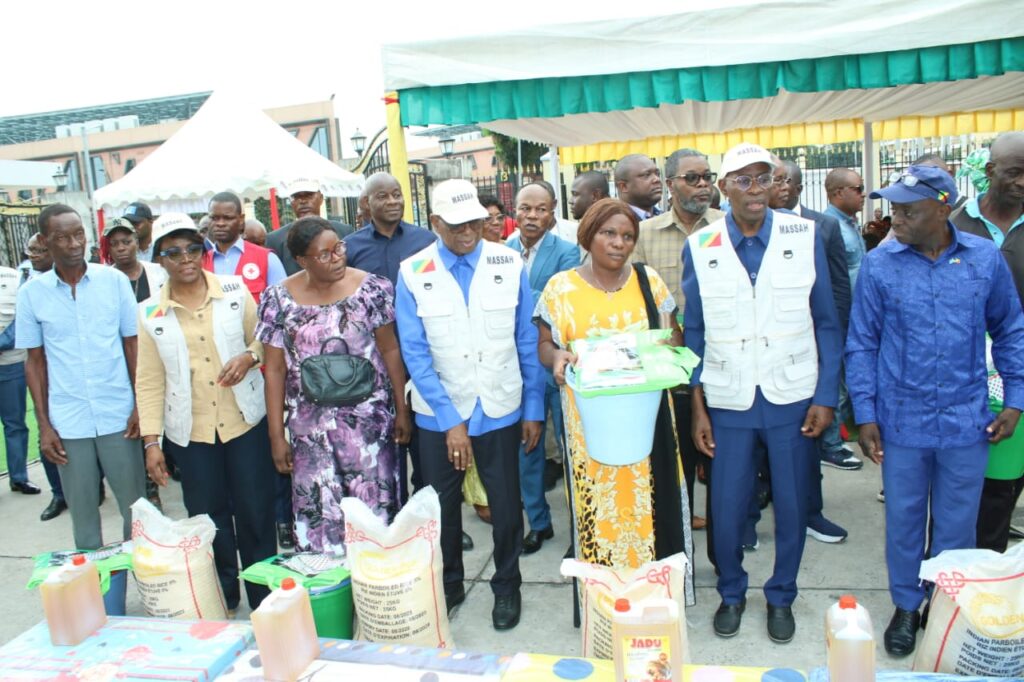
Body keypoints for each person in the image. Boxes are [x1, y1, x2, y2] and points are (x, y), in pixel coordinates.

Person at [846, 164, 1024, 657]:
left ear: (943, 207)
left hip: (967, 419)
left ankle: (945, 605)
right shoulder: (882, 265)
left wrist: (1016, 400)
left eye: (907, 209)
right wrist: (866, 413)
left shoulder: (984, 259)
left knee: (956, 523)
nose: (894, 216)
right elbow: (861, 343)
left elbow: (1010, 328)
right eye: (893, 207)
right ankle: (907, 604)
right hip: (902, 419)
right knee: (903, 518)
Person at [683, 143, 841, 644]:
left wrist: (825, 396)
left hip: (792, 395)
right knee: (726, 511)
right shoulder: (702, 244)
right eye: (745, 180)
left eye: (764, 178)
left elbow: (828, 324)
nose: (757, 190)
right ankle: (732, 592)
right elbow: (695, 333)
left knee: (793, 504)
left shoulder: (805, 233)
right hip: (728, 399)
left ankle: (781, 595)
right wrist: (697, 406)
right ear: (723, 186)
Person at [395, 179, 545, 631]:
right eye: (456, 224)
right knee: (441, 507)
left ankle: (507, 586)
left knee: (504, 504)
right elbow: (415, 354)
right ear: (435, 223)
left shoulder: (509, 261)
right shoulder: (412, 271)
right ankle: (450, 582)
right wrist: (450, 422)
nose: (468, 232)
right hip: (439, 413)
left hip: (501, 404)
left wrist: (534, 406)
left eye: (475, 222)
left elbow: (525, 338)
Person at [536, 198, 694, 601]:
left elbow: (672, 336)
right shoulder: (561, 288)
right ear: (588, 235)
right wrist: (557, 357)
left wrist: (655, 347)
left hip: (646, 418)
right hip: (590, 422)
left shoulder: (649, 281)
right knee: (599, 506)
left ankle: (654, 596)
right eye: (608, 233)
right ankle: (604, 600)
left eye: (627, 236)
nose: (619, 243)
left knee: (652, 501)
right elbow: (545, 344)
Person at [138, 213, 277, 612]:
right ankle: (222, 595)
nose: (185, 258)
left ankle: (263, 596)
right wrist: (152, 442)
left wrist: (250, 357)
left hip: (243, 423)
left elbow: (266, 340)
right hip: (192, 433)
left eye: (192, 249)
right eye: (174, 251)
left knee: (255, 512)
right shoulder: (149, 312)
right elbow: (148, 381)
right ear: (160, 258)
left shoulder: (234, 291)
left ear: (203, 251)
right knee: (207, 518)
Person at [257, 216, 407, 554]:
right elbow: (276, 369)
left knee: (375, 516)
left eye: (338, 248)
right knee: (320, 519)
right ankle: (331, 595)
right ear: (301, 260)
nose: (337, 257)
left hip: (369, 427)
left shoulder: (371, 289)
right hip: (310, 432)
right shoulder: (278, 300)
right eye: (323, 254)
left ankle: (376, 593)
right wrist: (276, 435)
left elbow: (390, 348)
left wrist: (402, 408)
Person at [16, 204, 147, 550]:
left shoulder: (114, 281)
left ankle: (147, 588)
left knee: (137, 511)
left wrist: (139, 406)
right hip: (68, 420)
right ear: (45, 242)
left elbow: (132, 346)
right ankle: (97, 595)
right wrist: (45, 425)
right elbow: (35, 362)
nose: (74, 244)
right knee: (84, 516)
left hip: (118, 414)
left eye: (79, 235)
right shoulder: (31, 293)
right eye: (62, 237)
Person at [632, 148, 724, 536]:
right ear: (670, 185)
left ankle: (728, 550)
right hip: (671, 378)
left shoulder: (727, 226)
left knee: (725, 475)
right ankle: (677, 552)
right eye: (692, 178)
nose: (703, 185)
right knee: (677, 472)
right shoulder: (644, 235)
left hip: (723, 367)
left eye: (707, 176)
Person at [951, 131, 1024, 553]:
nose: (1022, 182)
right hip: (968, 376)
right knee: (963, 488)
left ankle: (988, 577)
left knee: (1004, 486)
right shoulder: (954, 225)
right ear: (991, 171)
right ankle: (950, 585)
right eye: (1014, 173)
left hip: (1017, 369)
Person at [777, 159, 853, 545]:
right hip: (760, 356)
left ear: (798, 185)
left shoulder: (823, 226)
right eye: (774, 180)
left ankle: (812, 513)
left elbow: (838, 288)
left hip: (807, 350)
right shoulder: (737, 226)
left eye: (788, 180)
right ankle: (754, 516)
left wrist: (831, 347)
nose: (781, 187)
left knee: (808, 439)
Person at [506, 183, 580, 554]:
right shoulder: (499, 253)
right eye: (525, 208)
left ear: (553, 213)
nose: (532, 216)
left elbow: (562, 303)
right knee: (527, 450)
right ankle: (538, 523)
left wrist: (518, 300)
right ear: (514, 212)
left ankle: (579, 532)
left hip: (557, 364)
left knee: (571, 452)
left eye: (540, 209)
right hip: (519, 369)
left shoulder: (568, 253)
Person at [106, 216, 168, 508]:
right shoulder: (106, 280)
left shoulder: (158, 273)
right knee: (142, 419)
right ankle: (149, 487)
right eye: (115, 243)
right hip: (128, 360)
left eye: (126, 241)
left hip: (164, 352)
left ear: (137, 242)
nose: (121, 248)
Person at [821, 167, 867, 471]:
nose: (863, 195)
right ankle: (831, 445)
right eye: (858, 188)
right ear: (839, 193)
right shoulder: (828, 227)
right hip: (842, 319)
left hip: (858, 318)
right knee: (837, 383)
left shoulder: (850, 224)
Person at [18, 235, 66, 520]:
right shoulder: (29, 287)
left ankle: (89, 487)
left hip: (75, 377)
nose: (35, 255)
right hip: (46, 375)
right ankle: (59, 494)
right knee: (46, 436)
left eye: (40, 250)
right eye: (31, 250)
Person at [202, 191, 286, 302]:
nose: (220, 223)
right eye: (214, 218)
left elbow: (284, 307)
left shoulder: (267, 259)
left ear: (241, 220)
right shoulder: (201, 262)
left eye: (227, 218)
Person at [1, 265, 40, 496]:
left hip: (11, 365)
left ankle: (18, 478)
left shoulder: (14, 278)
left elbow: (22, 319)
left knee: (14, 424)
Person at [266, 179, 354, 276]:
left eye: (309, 195)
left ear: (321, 197)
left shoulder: (344, 231)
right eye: (297, 197)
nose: (303, 201)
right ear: (291, 202)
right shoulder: (275, 240)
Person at [614, 155, 663, 220]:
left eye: (657, 174)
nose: (657, 179)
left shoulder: (663, 217)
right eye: (647, 175)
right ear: (623, 186)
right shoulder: (615, 222)